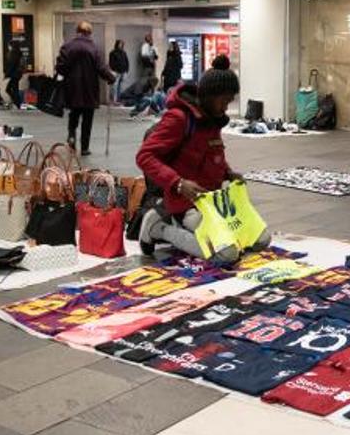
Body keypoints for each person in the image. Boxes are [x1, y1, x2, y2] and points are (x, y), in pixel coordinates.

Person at [135, 59, 269, 264]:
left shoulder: (212, 118)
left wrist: (228, 172)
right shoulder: (179, 118)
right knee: (226, 254)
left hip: (214, 202)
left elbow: (213, 154)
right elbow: (144, 156)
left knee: (260, 240)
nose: (226, 107)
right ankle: (159, 228)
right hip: (186, 202)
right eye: (224, 100)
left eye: (230, 101)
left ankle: (200, 231)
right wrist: (178, 183)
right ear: (209, 96)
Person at [56, 21, 115, 155]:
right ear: (89, 33)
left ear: (77, 31)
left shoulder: (67, 46)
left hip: (72, 88)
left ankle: (71, 139)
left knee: (74, 115)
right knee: (87, 119)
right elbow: (101, 68)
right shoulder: (94, 48)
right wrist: (111, 78)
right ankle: (84, 148)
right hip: (89, 89)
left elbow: (60, 67)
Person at [5, 42, 24, 108]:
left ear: (11, 46)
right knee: (13, 89)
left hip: (14, 74)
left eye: (9, 46)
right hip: (17, 74)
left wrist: (7, 74)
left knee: (10, 89)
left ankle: (17, 103)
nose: (8, 47)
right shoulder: (19, 53)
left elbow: (12, 65)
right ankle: (17, 103)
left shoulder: (13, 53)